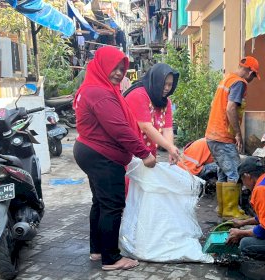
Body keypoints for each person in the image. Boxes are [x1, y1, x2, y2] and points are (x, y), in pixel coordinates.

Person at [72, 46, 156, 271]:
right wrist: (144, 153)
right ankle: (111, 258)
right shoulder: (99, 93)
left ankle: (97, 250)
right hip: (102, 156)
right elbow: (119, 129)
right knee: (112, 205)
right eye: (114, 67)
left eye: (122, 68)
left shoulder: (95, 88)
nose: (119, 73)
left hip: (91, 151)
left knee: (100, 202)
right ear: (102, 66)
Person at [205, 56, 260, 219]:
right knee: (236, 171)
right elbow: (230, 109)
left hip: (213, 135)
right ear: (250, 71)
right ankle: (231, 209)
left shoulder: (228, 78)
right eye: (253, 76)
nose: (252, 80)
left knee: (224, 171)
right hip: (223, 135)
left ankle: (223, 208)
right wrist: (237, 133)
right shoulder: (239, 83)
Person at [124, 63, 181, 164]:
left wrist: (171, 149)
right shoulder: (138, 94)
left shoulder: (165, 101)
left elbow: (167, 129)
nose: (167, 88)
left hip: (149, 152)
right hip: (129, 152)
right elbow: (146, 127)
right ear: (156, 81)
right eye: (164, 83)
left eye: (170, 84)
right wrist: (169, 147)